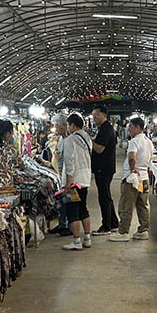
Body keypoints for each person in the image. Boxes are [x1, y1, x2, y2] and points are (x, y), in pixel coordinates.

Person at [110, 117, 152, 242]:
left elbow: (132, 157)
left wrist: (133, 169)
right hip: (144, 177)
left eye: (131, 127)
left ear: (138, 127)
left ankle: (123, 232)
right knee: (143, 206)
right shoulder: (148, 142)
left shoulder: (134, 141)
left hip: (132, 178)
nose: (128, 129)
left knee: (126, 206)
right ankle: (143, 230)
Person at [61, 113, 94, 250]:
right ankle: (87, 238)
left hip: (74, 180)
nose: (68, 128)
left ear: (73, 125)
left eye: (68, 125)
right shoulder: (87, 138)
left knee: (72, 210)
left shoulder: (70, 140)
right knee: (83, 208)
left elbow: (70, 162)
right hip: (85, 179)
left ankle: (76, 241)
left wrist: (68, 182)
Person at [90, 106, 119, 235]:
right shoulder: (104, 128)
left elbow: (99, 149)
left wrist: (88, 140)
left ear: (104, 115)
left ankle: (106, 227)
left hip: (103, 168)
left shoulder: (106, 129)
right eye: (93, 115)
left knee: (104, 197)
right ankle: (113, 223)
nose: (94, 118)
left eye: (96, 115)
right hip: (105, 167)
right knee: (106, 196)